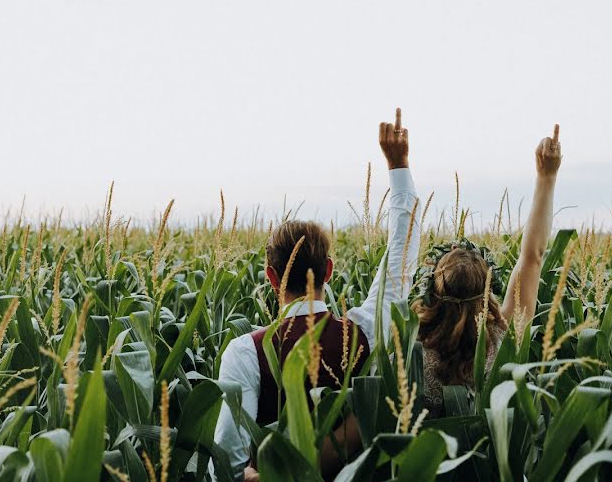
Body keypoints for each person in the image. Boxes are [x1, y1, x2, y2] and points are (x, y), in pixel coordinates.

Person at [212, 108, 421, 481]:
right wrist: (398, 165)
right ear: (328, 270)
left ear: (271, 277)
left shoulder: (246, 353)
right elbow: (401, 256)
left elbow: (227, 464)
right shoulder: (364, 333)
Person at [415, 125, 562, 418]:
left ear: (433, 291)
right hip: (495, 464)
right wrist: (547, 177)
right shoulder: (503, 341)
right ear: (486, 294)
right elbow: (532, 257)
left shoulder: (412, 357)